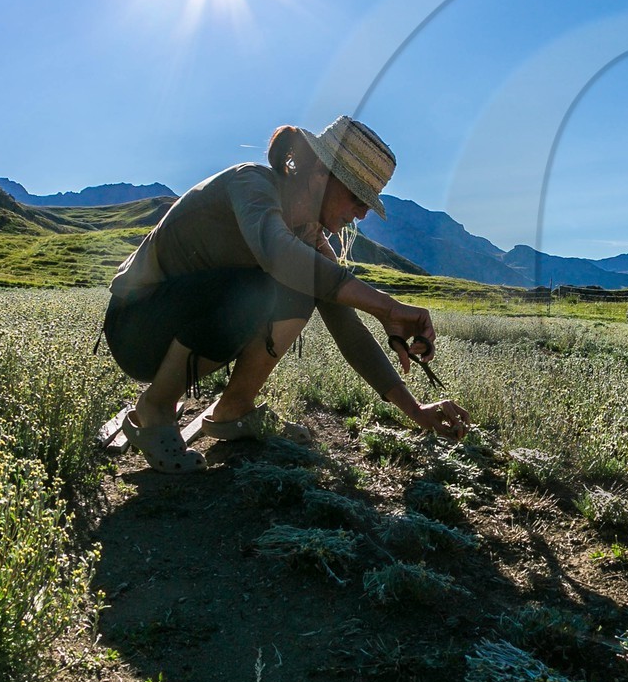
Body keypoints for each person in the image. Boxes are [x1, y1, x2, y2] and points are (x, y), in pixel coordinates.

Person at [102, 115, 470, 472]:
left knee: (298, 290)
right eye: (357, 198)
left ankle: (233, 409)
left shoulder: (309, 234)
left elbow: (347, 328)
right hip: (135, 329)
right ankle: (155, 409)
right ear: (320, 173)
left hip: (174, 333)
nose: (361, 215)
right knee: (260, 287)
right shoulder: (251, 182)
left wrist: (416, 410)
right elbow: (277, 253)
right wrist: (387, 308)